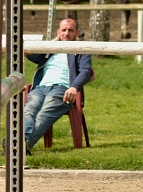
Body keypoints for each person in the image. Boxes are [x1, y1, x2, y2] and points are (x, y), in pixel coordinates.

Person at [23, 17, 93, 153]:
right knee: (29, 111)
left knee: (44, 113)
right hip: (41, 88)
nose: (66, 33)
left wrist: (74, 87)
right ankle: (20, 144)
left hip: (63, 89)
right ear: (58, 32)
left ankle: (17, 145)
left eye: (71, 30)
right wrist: (53, 43)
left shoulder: (81, 49)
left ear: (77, 33)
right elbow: (31, 55)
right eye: (63, 30)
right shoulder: (50, 49)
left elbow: (86, 71)